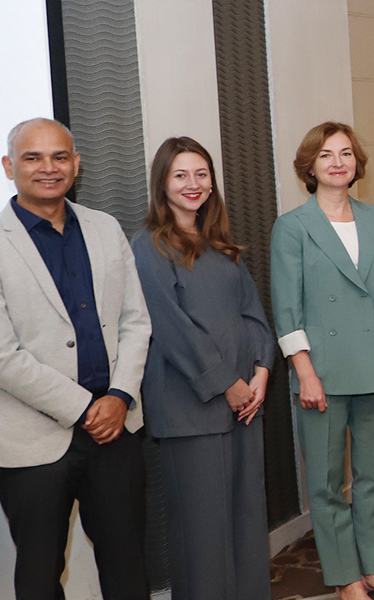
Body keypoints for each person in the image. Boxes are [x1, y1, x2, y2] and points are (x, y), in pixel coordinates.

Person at [0, 118, 152, 600]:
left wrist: (121, 396)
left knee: (127, 565)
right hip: (29, 439)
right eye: (33, 157)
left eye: (60, 156)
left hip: (116, 429)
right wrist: (87, 408)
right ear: (9, 166)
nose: (49, 168)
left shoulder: (106, 229)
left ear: (76, 164)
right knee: (40, 575)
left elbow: (136, 322)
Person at [271, 122, 374, 600]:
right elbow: (287, 310)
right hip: (322, 375)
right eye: (327, 154)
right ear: (310, 166)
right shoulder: (292, 227)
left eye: (346, 153)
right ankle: (345, 579)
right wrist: (304, 374)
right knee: (328, 485)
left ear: (358, 164)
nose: (338, 162)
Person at [130, 137, 274, 600]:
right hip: (191, 409)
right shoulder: (148, 245)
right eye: (180, 175)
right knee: (203, 536)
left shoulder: (221, 245)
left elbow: (252, 314)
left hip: (243, 406)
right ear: (162, 184)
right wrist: (226, 384)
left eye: (201, 174)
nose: (193, 184)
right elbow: (170, 328)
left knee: (247, 525)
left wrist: (261, 372)